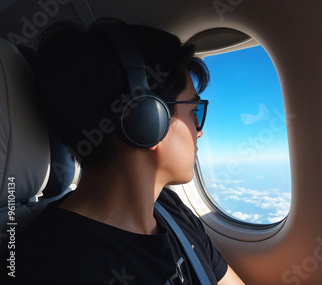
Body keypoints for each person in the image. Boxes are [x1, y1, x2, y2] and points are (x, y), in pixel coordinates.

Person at [10, 19, 245, 284]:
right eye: (193, 112)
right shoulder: (56, 267)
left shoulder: (169, 208)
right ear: (146, 118)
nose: (199, 131)